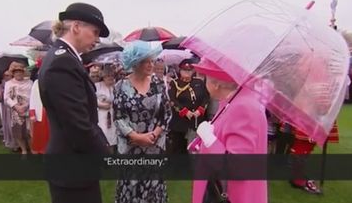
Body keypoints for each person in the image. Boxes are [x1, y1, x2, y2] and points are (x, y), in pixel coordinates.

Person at [38, 2, 110, 203]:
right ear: (76, 27)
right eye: (95, 32)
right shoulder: (63, 61)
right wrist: (105, 153)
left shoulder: (65, 57)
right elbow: (77, 123)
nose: (96, 40)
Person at [190, 57, 267, 203]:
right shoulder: (234, 100)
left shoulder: (243, 108)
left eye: (206, 77)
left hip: (234, 196)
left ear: (216, 84)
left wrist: (209, 139)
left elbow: (237, 168)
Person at [113, 41, 172, 203]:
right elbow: (118, 117)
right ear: (135, 63)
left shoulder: (159, 84)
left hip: (154, 147)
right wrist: (137, 137)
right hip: (131, 149)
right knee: (131, 186)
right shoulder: (120, 86)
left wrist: (154, 134)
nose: (151, 64)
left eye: (152, 60)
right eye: (146, 61)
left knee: (153, 186)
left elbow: (166, 114)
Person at [167, 58, 209, 154]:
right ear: (180, 70)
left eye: (189, 70)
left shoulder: (199, 82)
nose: (186, 72)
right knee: (179, 150)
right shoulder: (175, 83)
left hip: (198, 121)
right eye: (184, 70)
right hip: (180, 123)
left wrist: (200, 110)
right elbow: (172, 100)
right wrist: (184, 111)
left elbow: (206, 97)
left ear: (193, 71)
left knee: (197, 149)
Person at [4, 64, 32, 155]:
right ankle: (23, 150)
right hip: (15, 111)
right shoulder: (9, 83)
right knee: (18, 132)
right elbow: (6, 98)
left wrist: (26, 105)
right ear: (13, 73)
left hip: (29, 109)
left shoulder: (30, 82)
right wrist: (16, 106)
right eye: (16, 72)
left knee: (29, 132)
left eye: (20, 71)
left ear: (23, 72)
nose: (18, 73)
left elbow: (33, 96)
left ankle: (32, 149)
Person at [29, 58, 49, 154]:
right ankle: (40, 150)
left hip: (51, 111)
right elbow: (32, 99)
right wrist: (32, 113)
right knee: (40, 133)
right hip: (40, 111)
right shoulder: (36, 83)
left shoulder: (54, 81)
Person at [95, 65, 117, 153]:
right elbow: (91, 99)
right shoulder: (97, 86)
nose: (110, 78)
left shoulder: (115, 86)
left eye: (112, 75)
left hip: (112, 116)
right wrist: (101, 104)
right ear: (103, 77)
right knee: (102, 138)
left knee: (112, 139)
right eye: (108, 76)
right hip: (101, 115)